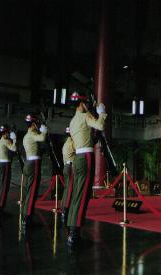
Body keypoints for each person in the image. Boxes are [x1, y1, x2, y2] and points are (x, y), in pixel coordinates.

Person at [67, 92, 107, 245]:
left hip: (77, 158)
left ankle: (72, 229)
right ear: (81, 103)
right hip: (86, 158)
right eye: (86, 103)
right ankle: (74, 235)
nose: (88, 105)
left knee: (77, 194)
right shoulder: (85, 117)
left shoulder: (72, 121)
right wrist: (101, 113)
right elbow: (100, 125)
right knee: (83, 195)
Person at [21, 114, 47, 231]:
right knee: (32, 191)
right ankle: (28, 219)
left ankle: (26, 217)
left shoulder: (26, 135)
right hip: (33, 163)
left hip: (28, 163)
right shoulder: (32, 133)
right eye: (36, 123)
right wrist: (44, 129)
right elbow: (42, 138)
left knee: (28, 191)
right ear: (33, 124)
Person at [0, 125, 17, 219]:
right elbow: (14, 149)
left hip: (0, 164)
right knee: (4, 187)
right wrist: (14, 138)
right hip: (5, 165)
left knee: (0, 187)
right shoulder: (6, 140)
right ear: (6, 132)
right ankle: (0, 210)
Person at [61, 127, 75, 223]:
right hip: (70, 167)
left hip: (66, 166)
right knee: (70, 189)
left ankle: (63, 207)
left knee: (67, 189)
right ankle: (66, 210)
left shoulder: (65, 144)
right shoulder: (72, 143)